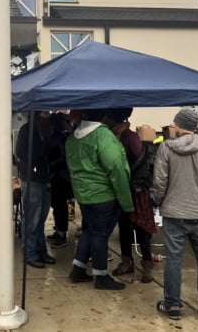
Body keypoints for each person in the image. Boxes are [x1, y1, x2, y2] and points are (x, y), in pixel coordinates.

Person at [153, 108, 198, 321]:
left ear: (177, 125)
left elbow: (159, 182)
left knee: (174, 259)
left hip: (174, 213)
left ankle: (172, 305)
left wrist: (159, 201)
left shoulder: (166, 148)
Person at [66, 109, 134, 290]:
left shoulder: (73, 137)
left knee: (89, 230)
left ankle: (78, 269)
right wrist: (126, 202)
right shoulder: (102, 135)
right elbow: (116, 168)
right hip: (104, 196)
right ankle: (101, 276)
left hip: (84, 195)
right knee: (100, 235)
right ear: (104, 117)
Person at [104, 108, 156, 283]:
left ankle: (147, 263)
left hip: (137, 188)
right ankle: (127, 261)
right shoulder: (114, 135)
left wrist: (135, 183)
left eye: (107, 117)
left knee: (141, 227)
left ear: (114, 118)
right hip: (122, 187)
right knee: (124, 225)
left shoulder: (129, 137)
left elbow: (141, 162)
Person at [15, 111, 55, 269]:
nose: (48, 112)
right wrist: (38, 161)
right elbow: (20, 152)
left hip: (45, 178)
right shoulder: (28, 129)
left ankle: (40, 251)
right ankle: (30, 253)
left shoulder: (49, 127)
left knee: (40, 219)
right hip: (33, 178)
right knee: (32, 218)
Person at [45, 112, 74, 249]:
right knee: (58, 206)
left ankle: (62, 234)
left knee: (59, 206)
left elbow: (63, 157)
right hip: (60, 176)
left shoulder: (59, 138)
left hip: (60, 177)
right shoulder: (62, 137)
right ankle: (59, 231)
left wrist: (50, 165)